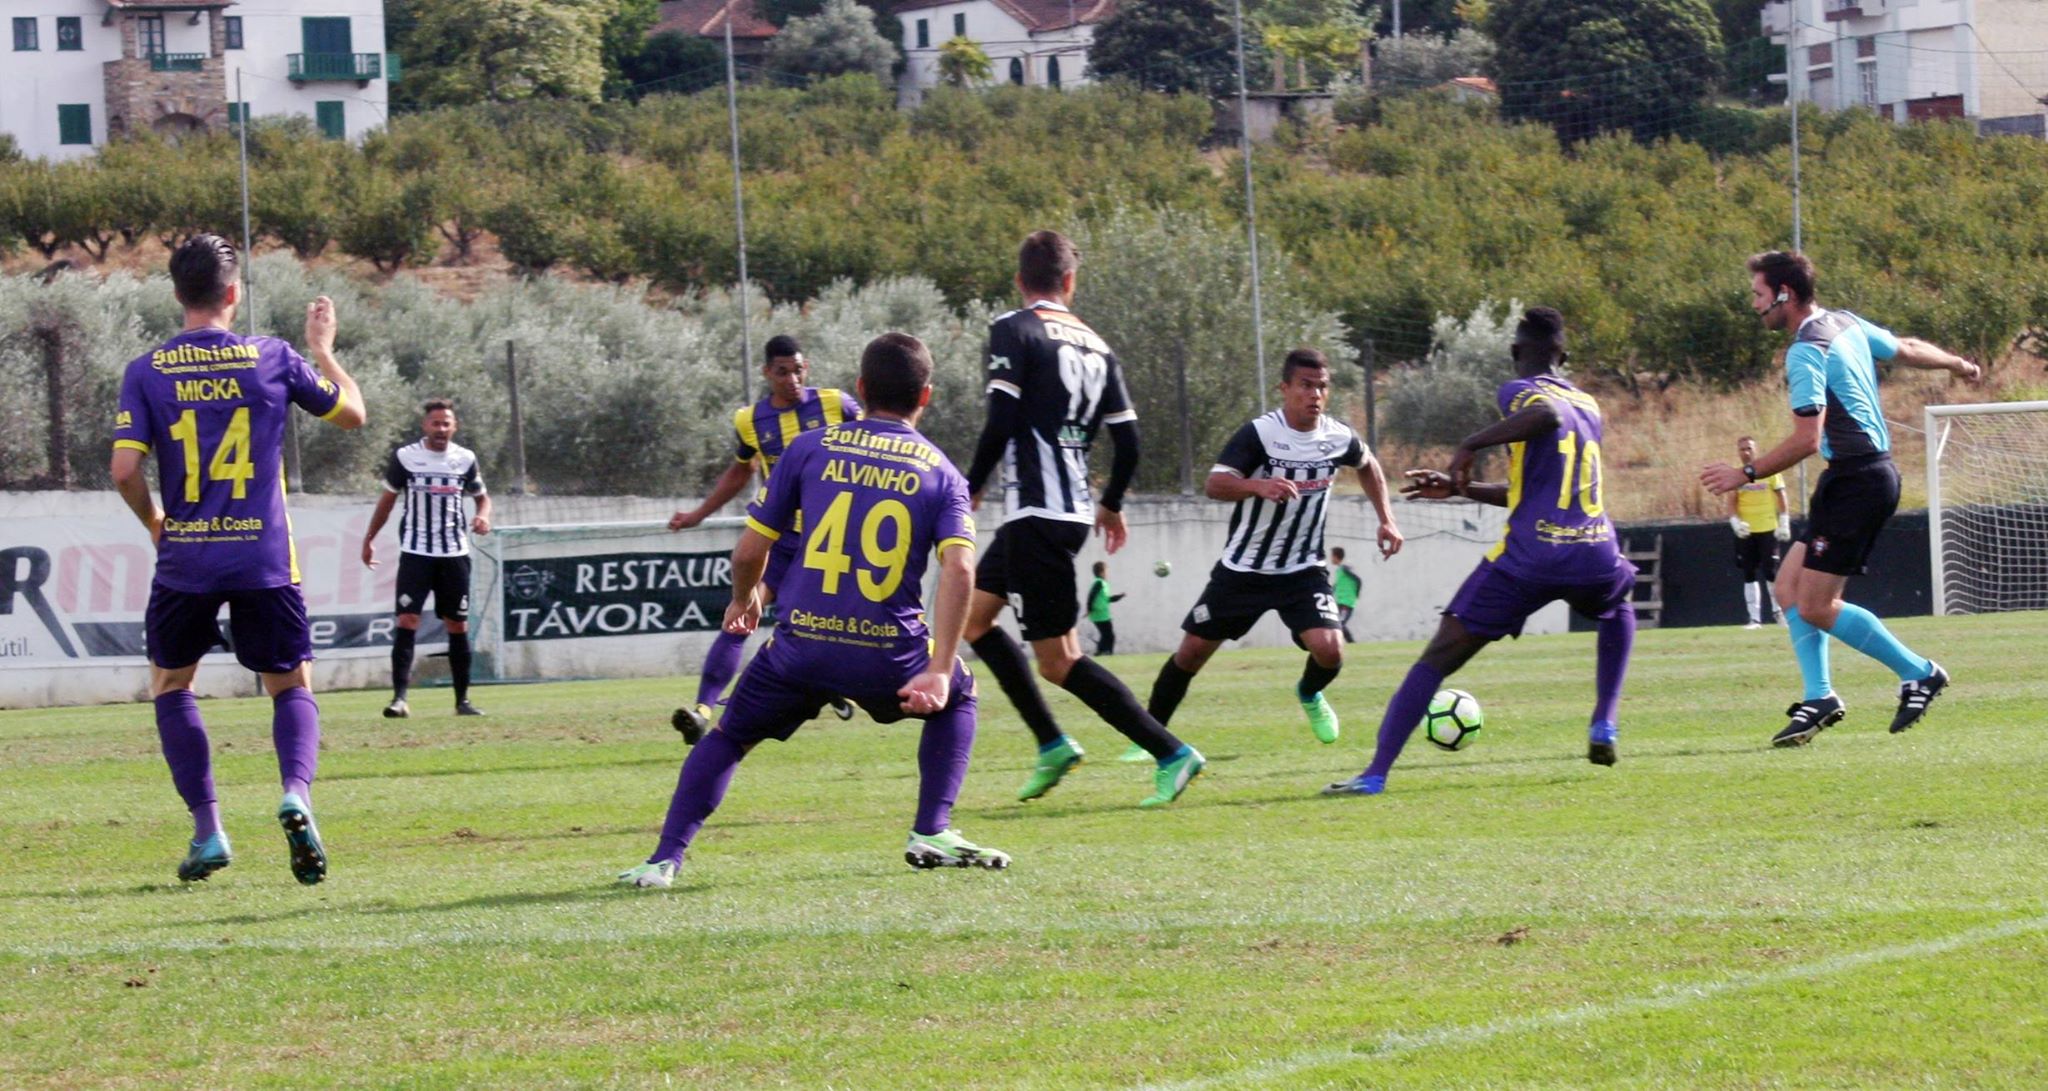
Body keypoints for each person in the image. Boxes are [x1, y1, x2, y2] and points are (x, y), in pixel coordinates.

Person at [620, 333, 1006, 888]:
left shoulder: (808, 448)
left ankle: (663, 861)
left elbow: (751, 550)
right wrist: (940, 668)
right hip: (887, 653)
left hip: (800, 648)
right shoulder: (942, 472)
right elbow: (961, 571)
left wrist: (743, 600)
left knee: (728, 737)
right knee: (960, 697)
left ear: (861, 388)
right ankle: (930, 829)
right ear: (927, 396)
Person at [109, 234, 366, 884]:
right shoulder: (272, 357)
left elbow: (123, 471)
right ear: (234, 293)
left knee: (172, 684)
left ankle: (208, 829)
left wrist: (156, 524)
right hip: (264, 557)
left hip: (186, 559)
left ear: (177, 293)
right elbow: (353, 415)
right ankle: (295, 795)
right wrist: (324, 350)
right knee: (290, 684)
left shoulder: (147, 370)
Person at [1324, 307, 1637, 795]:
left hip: (1531, 557)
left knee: (1438, 656)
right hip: (1594, 550)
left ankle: (1375, 773)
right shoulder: (1591, 405)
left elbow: (1544, 415)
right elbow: (1528, 488)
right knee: (1617, 607)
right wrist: (1459, 487)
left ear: (1515, 352)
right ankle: (1604, 722)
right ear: (1564, 355)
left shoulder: (1519, 390)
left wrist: (1470, 444)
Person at [961, 230, 1205, 808]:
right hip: (1064, 510)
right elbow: (1130, 442)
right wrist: (1112, 502)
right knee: (973, 618)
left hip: (1036, 513)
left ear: (1021, 281)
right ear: (1071, 282)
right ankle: (1050, 744)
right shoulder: (1098, 345)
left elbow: (1000, 420)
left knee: (1059, 660)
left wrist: (967, 490)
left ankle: (1170, 751)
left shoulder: (1013, 329)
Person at [1702, 251, 1979, 746]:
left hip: (1859, 483)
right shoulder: (1845, 323)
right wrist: (1957, 364)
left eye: (1758, 296)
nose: (1755, 306)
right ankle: (1820, 696)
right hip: (1853, 479)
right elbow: (1908, 347)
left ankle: (1919, 672)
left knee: (1816, 605)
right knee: (1787, 589)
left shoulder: (1805, 350)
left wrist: (1744, 473)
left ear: (1784, 295)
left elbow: (1807, 440)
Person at [1144, 349, 1404, 752]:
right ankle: (1149, 736)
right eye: (1305, 385)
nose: (1314, 394)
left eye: (1321, 386)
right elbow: (1215, 483)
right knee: (1192, 652)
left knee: (1330, 651)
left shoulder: (1336, 437)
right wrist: (1257, 485)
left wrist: (1386, 518)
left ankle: (1309, 693)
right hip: (1243, 569)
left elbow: (1367, 464)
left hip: (1303, 569)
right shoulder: (1260, 435)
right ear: (1284, 388)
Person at [669, 335, 860, 743]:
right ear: (766, 373)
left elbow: (879, 443)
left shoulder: (836, 405)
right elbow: (741, 470)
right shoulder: (750, 420)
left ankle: (825, 687)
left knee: (816, 627)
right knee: (741, 612)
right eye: (782, 371)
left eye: (798, 369)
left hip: (828, 542)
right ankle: (703, 710)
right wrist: (698, 515)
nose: (792, 379)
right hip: (779, 539)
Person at [361, 399, 492, 718]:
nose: (441, 429)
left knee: (457, 625)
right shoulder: (407, 457)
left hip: (454, 554)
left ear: (454, 427)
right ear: (425, 426)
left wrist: (483, 516)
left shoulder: (464, 459)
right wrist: (369, 539)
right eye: (435, 423)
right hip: (416, 553)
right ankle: (399, 699)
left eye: (446, 423)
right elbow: (388, 501)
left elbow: (482, 498)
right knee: (407, 620)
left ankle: (463, 701)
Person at [1727, 435, 1788, 629]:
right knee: (1749, 572)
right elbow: (1731, 501)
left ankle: (1779, 613)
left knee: (1771, 572)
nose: (1746, 452)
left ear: (1756, 449)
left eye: (1749, 448)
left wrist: (1784, 521)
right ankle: (1754, 619)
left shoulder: (1770, 472)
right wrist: (1735, 522)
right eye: (1742, 449)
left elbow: (1782, 496)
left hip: (1768, 528)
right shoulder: (1737, 475)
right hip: (1746, 531)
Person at [1085, 561, 1124, 655]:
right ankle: (1107, 652)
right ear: (1101, 573)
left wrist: (1119, 597)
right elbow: (1091, 595)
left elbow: (1107, 599)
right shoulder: (1098, 583)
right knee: (1109, 635)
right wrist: (1089, 608)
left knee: (1107, 634)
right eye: (1106, 571)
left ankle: (1102, 651)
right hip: (1099, 613)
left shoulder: (1103, 583)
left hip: (1102, 613)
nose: (1107, 573)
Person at [1330, 546, 1362, 643]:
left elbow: (1358, 580)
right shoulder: (1339, 570)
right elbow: (1336, 585)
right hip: (1340, 602)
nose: (1330, 558)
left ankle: (1352, 643)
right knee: (1335, 624)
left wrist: (1357, 593)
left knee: (1340, 624)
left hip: (1347, 602)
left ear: (1336, 557)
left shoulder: (1345, 568)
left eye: (1331, 556)